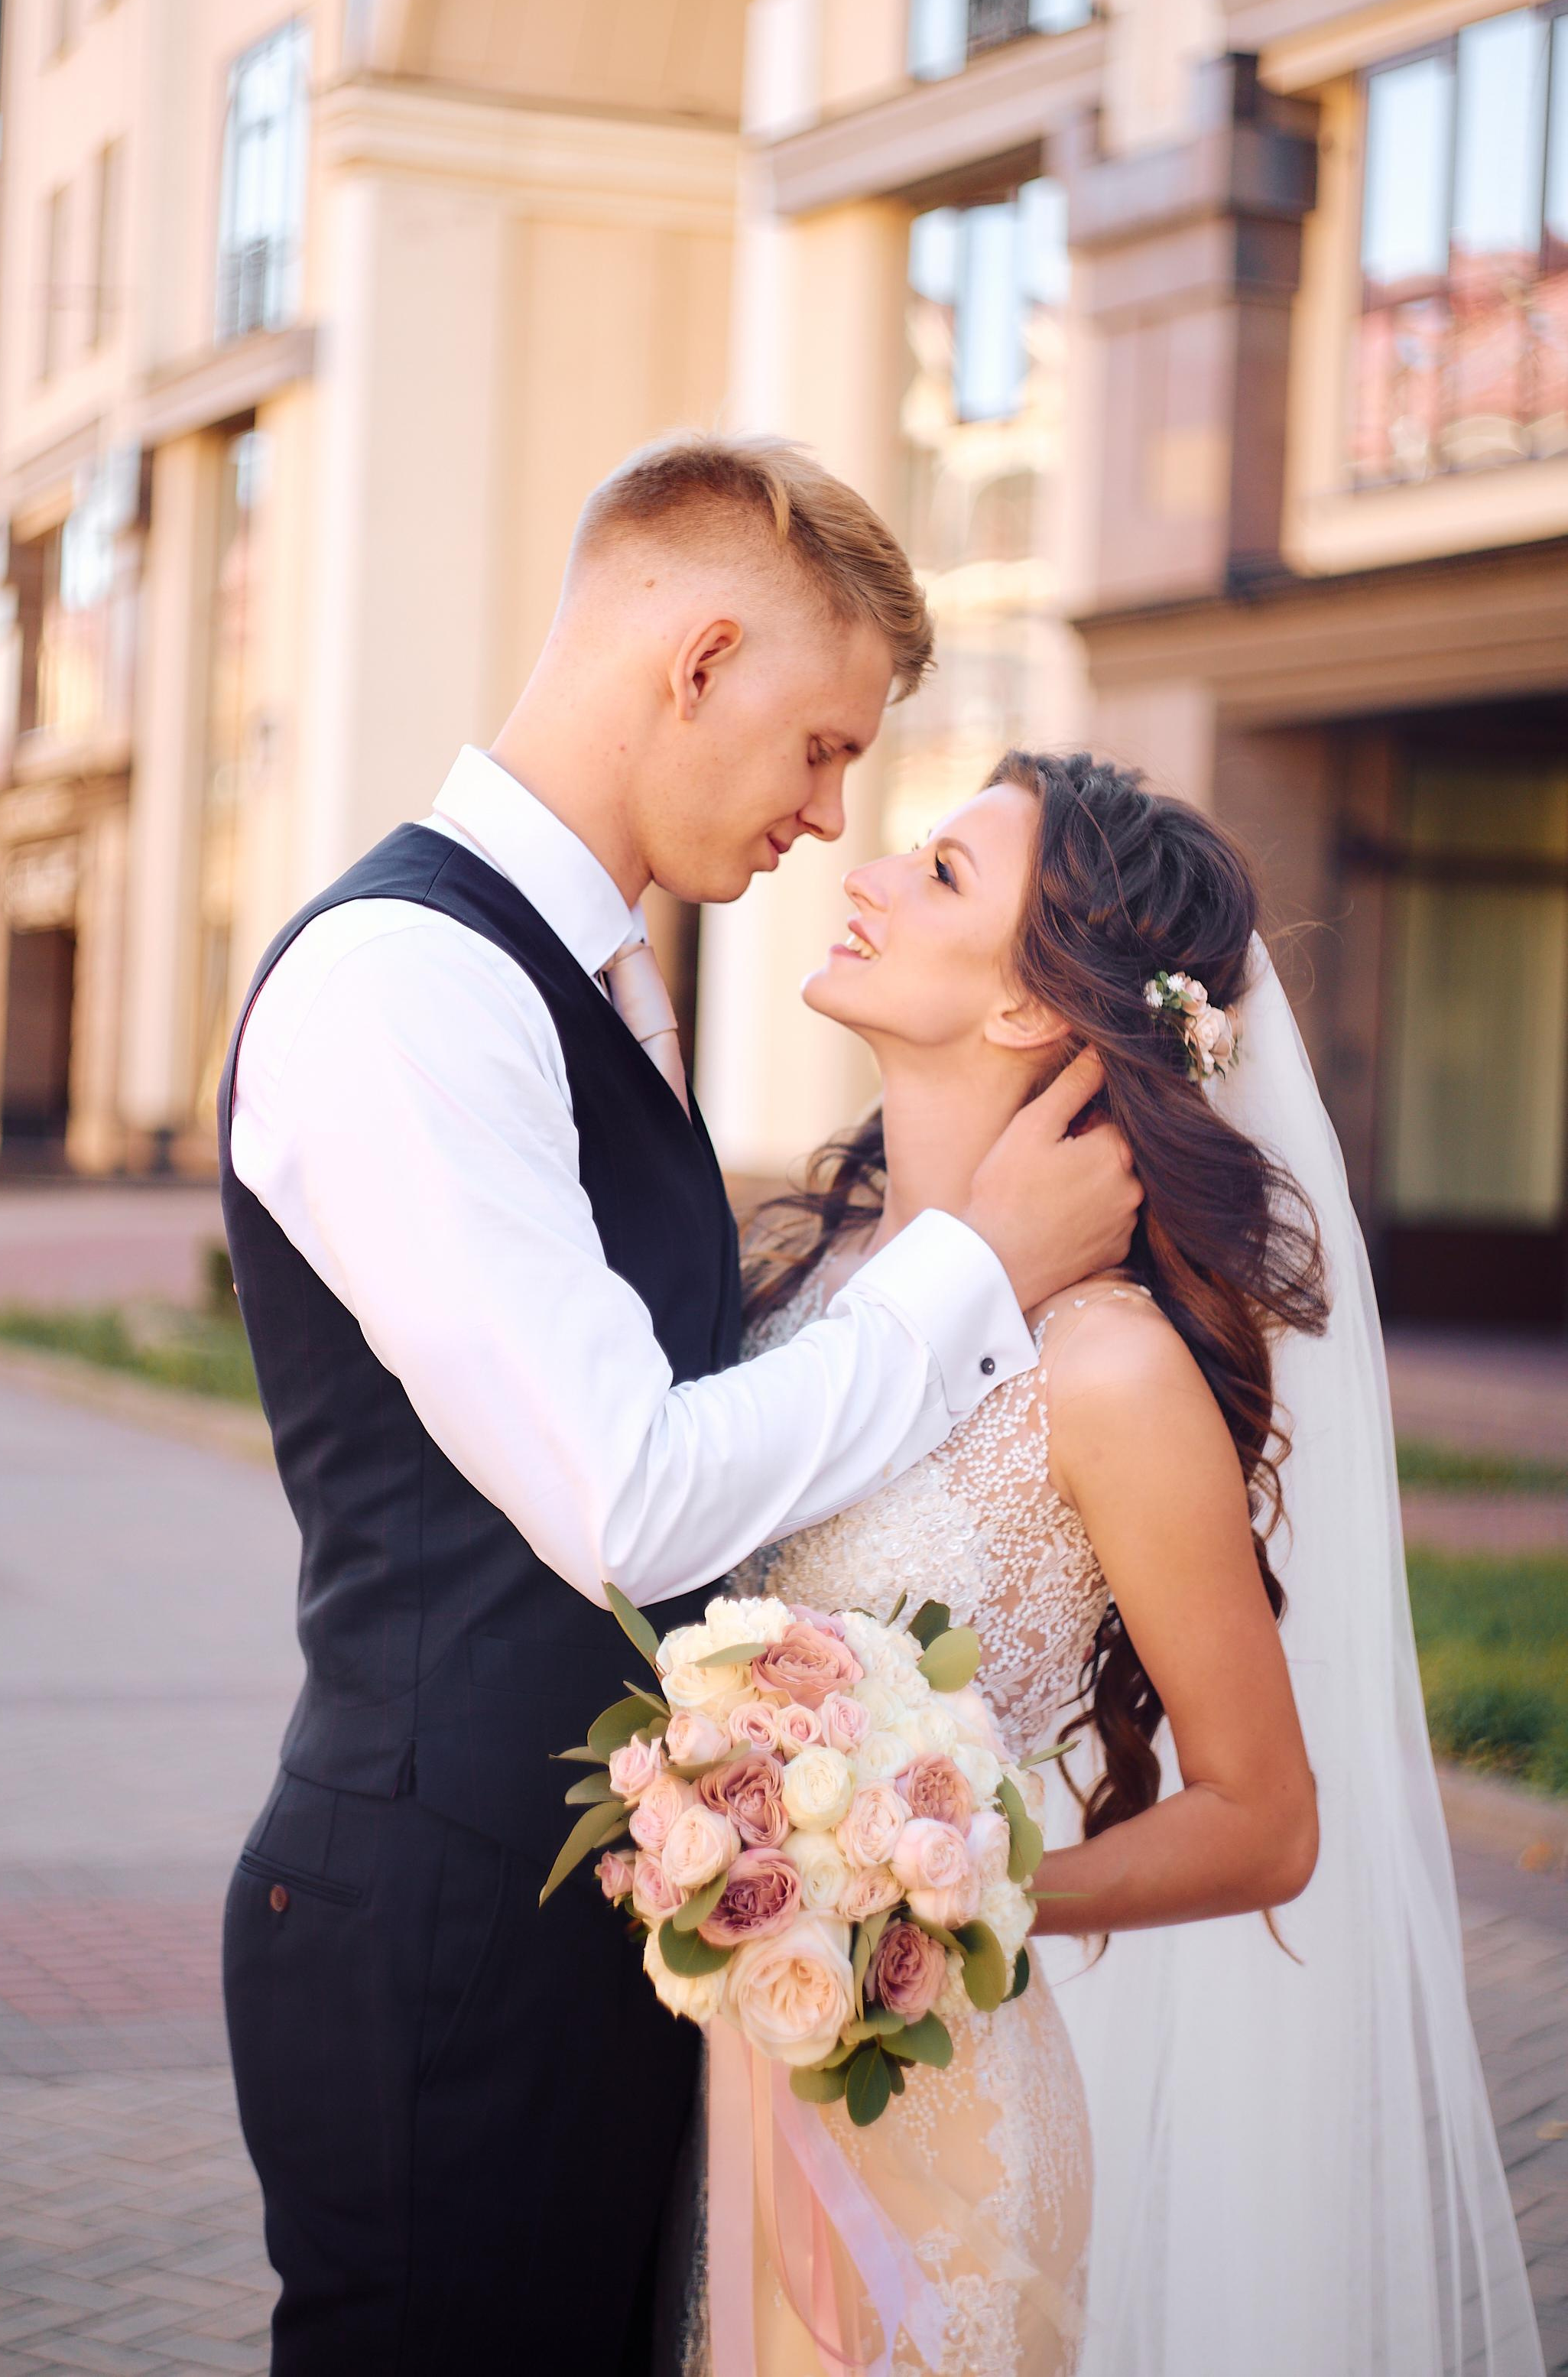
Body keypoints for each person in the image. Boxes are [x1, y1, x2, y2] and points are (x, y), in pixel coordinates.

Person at [215, 437, 1141, 2375]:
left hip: (582, 1948)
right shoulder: (408, 982)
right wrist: (971, 1268)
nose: (828, 815)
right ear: (697, 655)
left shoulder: (590, 977)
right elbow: (630, 1493)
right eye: (819, 747)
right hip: (441, 1942)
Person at [684, 751, 1541, 2377]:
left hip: (934, 2118)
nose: (867, 867)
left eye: (939, 874)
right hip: (723, 2089)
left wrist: (937, 1889)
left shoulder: (1108, 1371)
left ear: (1029, 1008)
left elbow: (1265, 1817)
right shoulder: (806, 1288)